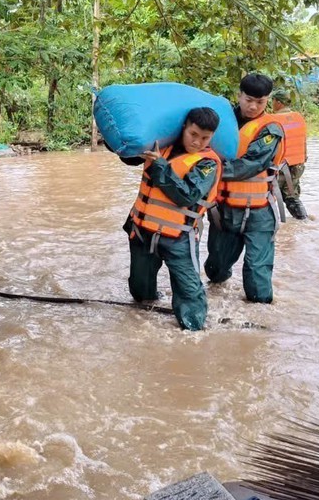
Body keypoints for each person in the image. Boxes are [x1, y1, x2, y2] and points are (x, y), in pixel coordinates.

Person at [124, 107, 223, 330]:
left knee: (188, 292)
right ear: (184, 128)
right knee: (140, 293)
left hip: (178, 237)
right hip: (142, 231)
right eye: (193, 134)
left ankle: (193, 331)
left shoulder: (208, 163)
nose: (197, 142)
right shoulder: (162, 147)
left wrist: (160, 165)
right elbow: (129, 157)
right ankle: (142, 319)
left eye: (205, 138)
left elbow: (185, 195)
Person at [204, 73, 286, 303]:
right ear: (238, 95)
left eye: (260, 102)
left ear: (267, 100)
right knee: (216, 272)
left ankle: (260, 322)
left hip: (259, 212)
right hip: (224, 211)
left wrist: (209, 170)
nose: (253, 106)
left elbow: (252, 164)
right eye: (248, 99)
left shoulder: (270, 129)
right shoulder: (219, 120)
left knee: (258, 283)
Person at [271, 88, 309, 220]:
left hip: (281, 166)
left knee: (269, 197)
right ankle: (304, 222)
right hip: (298, 165)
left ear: (279, 102)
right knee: (291, 197)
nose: (272, 103)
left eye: (273, 100)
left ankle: (271, 227)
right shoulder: (299, 117)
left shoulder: (272, 120)